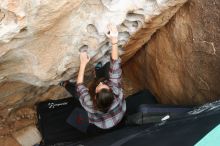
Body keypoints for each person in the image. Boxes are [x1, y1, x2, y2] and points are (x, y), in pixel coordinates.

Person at [76, 23, 126, 132]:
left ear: (94, 97)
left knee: (77, 96)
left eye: (99, 87)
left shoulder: (89, 105)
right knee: (107, 71)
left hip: (103, 123)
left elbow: (79, 86)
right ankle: (98, 69)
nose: (101, 84)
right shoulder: (116, 92)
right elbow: (115, 65)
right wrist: (114, 40)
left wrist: (83, 63)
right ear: (112, 93)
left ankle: (65, 84)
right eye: (105, 86)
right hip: (118, 115)